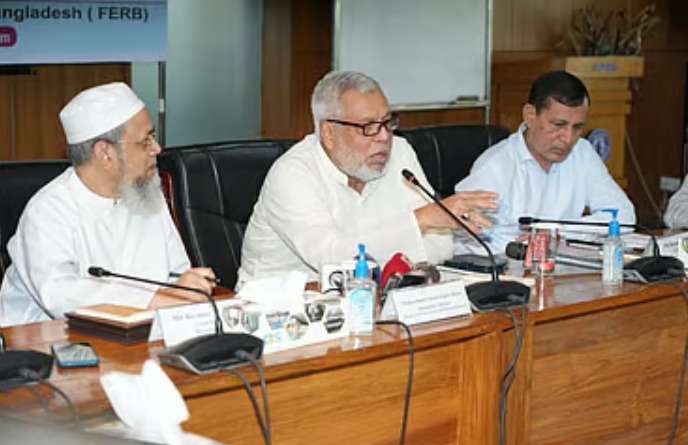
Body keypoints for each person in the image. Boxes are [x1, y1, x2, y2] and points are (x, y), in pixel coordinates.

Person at [238, 70, 498, 285]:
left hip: (377, 299)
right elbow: (333, 259)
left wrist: (412, 234)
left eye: (387, 122)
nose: (384, 137)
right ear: (329, 133)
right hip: (280, 310)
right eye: (368, 127)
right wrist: (420, 222)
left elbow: (440, 247)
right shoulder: (292, 175)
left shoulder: (400, 153)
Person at [0, 82, 215, 326]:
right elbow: (60, 297)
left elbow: (177, 274)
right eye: (145, 141)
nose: (157, 149)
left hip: (141, 336)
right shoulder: (48, 211)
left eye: (153, 138)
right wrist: (154, 300)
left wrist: (189, 287)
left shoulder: (145, 193)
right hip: (46, 342)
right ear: (105, 153)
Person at [455, 70, 636, 254]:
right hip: (506, 265)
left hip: (564, 264)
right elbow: (461, 233)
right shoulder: (494, 166)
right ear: (530, 115)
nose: (568, 138)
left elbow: (624, 216)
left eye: (577, 127)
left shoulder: (582, 152)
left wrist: (556, 233)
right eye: (558, 125)